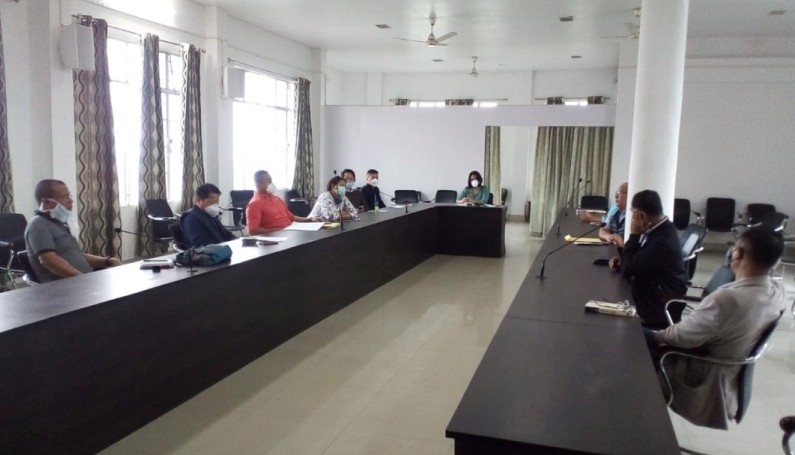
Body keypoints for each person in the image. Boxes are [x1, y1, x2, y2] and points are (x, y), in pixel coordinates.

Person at [646, 227, 786, 429]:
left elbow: (680, 338)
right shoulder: (777, 290)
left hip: (699, 374)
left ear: (737, 253)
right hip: (727, 373)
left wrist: (652, 334)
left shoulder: (728, 300)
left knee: (628, 337)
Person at [609, 189, 687, 329]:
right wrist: (623, 257)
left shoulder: (662, 240)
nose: (632, 219)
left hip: (657, 304)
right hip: (653, 290)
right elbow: (642, 259)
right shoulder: (661, 228)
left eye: (633, 214)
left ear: (642, 215)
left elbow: (629, 269)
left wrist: (634, 235)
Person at [24, 179, 121, 283]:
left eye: (69, 196)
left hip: (80, 283)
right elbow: (49, 260)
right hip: (63, 289)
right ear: (46, 202)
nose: (70, 201)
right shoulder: (38, 225)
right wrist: (84, 280)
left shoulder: (59, 223)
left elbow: (75, 255)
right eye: (65, 197)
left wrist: (106, 261)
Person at [246, 170, 318, 234]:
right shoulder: (254, 204)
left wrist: (310, 219)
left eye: (271, 180)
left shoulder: (277, 199)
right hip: (274, 240)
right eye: (268, 181)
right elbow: (253, 230)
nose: (271, 183)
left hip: (289, 233)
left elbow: (291, 217)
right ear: (258, 184)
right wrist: (280, 230)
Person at [180, 183, 236, 248]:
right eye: (210, 202)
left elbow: (225, 233)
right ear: (198, 200)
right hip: (207, 254)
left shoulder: (210, 214)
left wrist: (236, 242)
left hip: (221, 249)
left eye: (216, 202)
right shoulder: (191, 218)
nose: (214, 205)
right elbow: (199, 244)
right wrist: (223, 247)